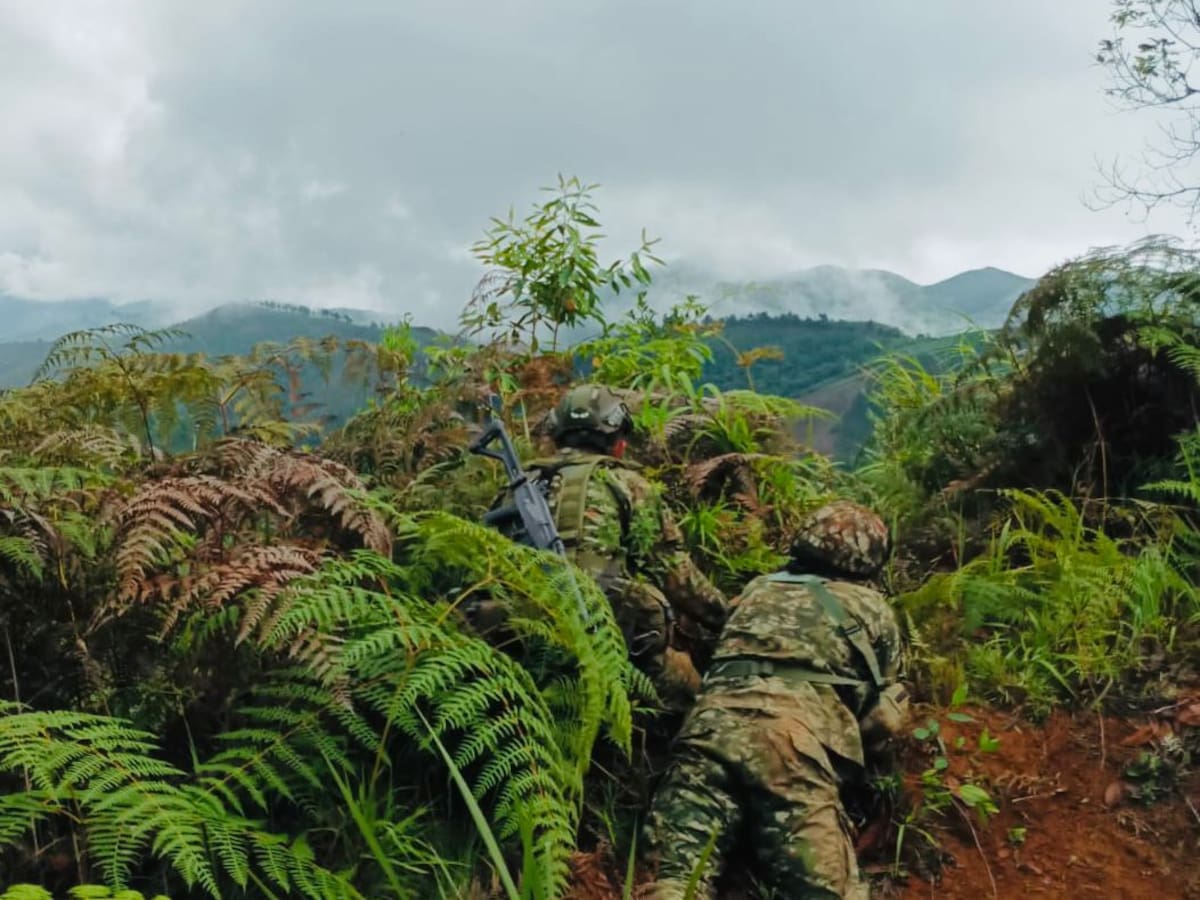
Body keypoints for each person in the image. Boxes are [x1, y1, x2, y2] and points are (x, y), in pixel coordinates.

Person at [639, 500, 910, 900]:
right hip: (793, 751)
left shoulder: (756, 590)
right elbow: (888, 714)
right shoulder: (872, 608)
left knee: (672, 884)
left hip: (706, 735)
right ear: (869, 560)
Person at [491, 383, 729, 710]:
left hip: (518, 642)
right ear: (617, 442)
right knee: (701, 699)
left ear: (555, 434)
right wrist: (728, 617)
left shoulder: (519, 486)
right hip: (605, 644)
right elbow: (678, 578)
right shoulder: (628, 485)